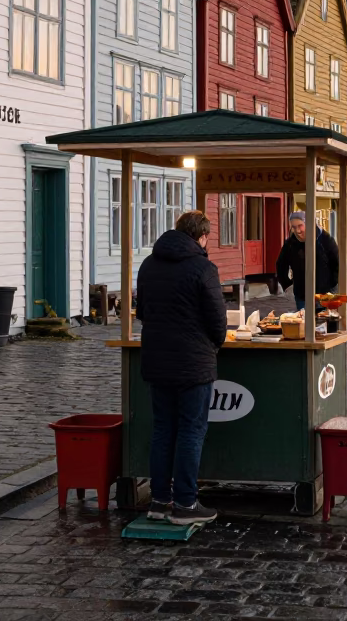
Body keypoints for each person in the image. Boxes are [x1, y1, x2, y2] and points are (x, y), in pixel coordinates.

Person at [136, 210, 227, 525]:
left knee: (163, 429)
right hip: (193, 363)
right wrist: (213, 344)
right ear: (202, 237)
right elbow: (218, 322)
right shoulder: (203, 267)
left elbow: (142, 311)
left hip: (157, 359)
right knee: (191, 430)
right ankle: (186, 504)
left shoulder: (149, 264)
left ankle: (159, 501)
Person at [275, 210, 339, 311]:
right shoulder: (290, 244)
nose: (297, 231)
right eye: (294, 227)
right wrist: (287, 285)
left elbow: (337, 263)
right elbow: (281, 265)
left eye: (300, 226)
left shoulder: (326, 240)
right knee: (304, 324)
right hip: (302, 295)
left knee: (327, 324)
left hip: (326, 293)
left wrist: (331, 285)